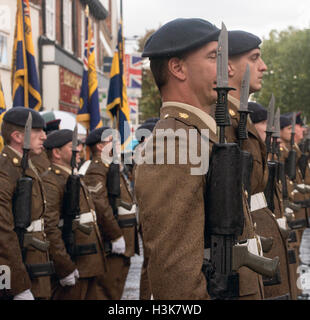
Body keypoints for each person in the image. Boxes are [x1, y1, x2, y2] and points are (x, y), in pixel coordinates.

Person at [135, 18, 265, 300]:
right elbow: (175, 274)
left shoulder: (202, 137)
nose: (228, 68)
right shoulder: (173, 145)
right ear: (178, 68)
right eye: (214, 57)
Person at [225, 31, 292, 300]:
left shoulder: (239, 119)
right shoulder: (223, 123)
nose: (263, 66)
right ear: (227, 66)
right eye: (255, 58)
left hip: (256, 235)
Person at [41, 129, 106, 300]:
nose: (79, 150)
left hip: (88, 265)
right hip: (74, 266)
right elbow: (49, 228)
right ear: (56, 153)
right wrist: (65, 267)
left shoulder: (71, 175)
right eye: (73, 147)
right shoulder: (51, 181)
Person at [0, 107, 51, 300]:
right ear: (17, 136)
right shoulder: (5, 170)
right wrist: (17, 285)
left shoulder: (26, 166)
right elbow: (3, 232)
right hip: (19, 270)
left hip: (34, 264)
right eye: (38, 131)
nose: (45, 137)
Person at [82, 126, 139, 299]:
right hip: (113, 240)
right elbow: (100, 204)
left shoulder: (111, 166)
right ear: (100, 147)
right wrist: (115, 235)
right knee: (107, 290)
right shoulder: (97, 168)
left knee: (116, 288)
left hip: (124, 240)